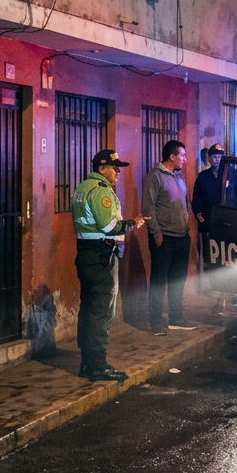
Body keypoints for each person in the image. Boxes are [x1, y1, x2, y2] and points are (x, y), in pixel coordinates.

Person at [71, 149, 145, 381]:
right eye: (114, 168)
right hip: (101, 256)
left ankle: (88, 362)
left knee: (89, 309)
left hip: (86, 253)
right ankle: (97, 365)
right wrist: (133, 223)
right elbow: (110, 226)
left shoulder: (82, 187)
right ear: (101, 168)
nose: (118, 172)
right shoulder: (100, 191)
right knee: (102, 312)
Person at [142, 139, 195, 335]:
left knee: (177, 280)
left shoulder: (179, 177)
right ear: (172, 156)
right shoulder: (154, 177)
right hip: (163, 238)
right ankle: (155, 321)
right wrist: (156, 233)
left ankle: (176, 317)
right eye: (182, 155)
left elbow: (185, 205)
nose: (185, 159)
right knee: (159, 280)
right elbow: (148, 208)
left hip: (182, 237)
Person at [192, 143, 225, 244]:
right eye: (215, 157)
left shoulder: (230, 174)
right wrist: (198, 213)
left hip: (225, 219)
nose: (217, 159)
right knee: (207, 251)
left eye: (220, 157)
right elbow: (196, 196)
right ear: (209, 159)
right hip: (207, 219)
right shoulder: (203, 176)